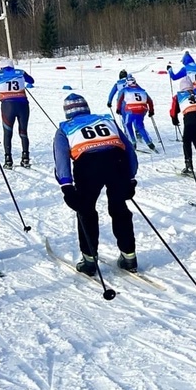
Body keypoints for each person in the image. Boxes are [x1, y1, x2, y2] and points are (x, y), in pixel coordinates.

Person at [53, 93, 139, 274]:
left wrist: (67, 187)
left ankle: (89, 260)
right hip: (117, 162)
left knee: (86, 211)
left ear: (68, 113)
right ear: (87, 109)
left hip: (87, 166)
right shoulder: (107, 120)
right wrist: (130, 178)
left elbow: (61, 158)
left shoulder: (64, 128)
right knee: (119, 208)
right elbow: (128, 147)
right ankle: (129, 257)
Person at [0, 58, 36, 168]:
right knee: (23, 132)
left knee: (7, 132)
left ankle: (8, 159)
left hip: (7, 105)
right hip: (23, 105)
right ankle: (25, 158)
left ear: (2, 67)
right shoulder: (21, 72)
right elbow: (32, 81)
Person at [115, 76, 157, 151]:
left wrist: (118, 109)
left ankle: (133, 142)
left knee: (127, 124)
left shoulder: (125, 90)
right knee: (140, 126)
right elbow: (150, 101)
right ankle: (149, 143)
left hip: (131, 110)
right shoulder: (142, 90)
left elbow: (120, 100)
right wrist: (151, 111)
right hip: (142, 110)